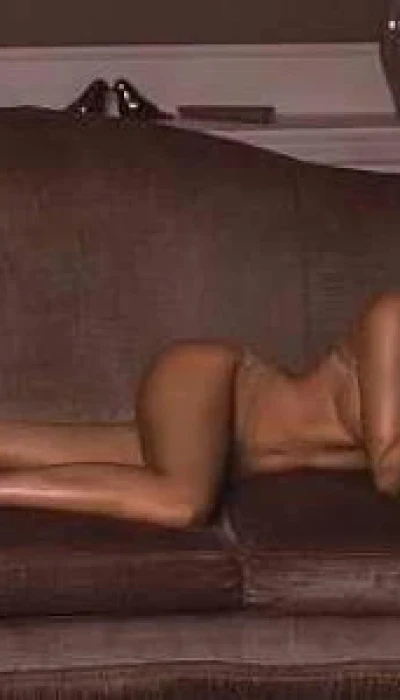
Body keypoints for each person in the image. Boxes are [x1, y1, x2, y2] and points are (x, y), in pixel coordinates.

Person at [0, 292, 399, 527]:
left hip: (220, 452)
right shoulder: (391, 314)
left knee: (43, 446)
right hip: (212, 383)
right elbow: (387, 467)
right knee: (181, 502)